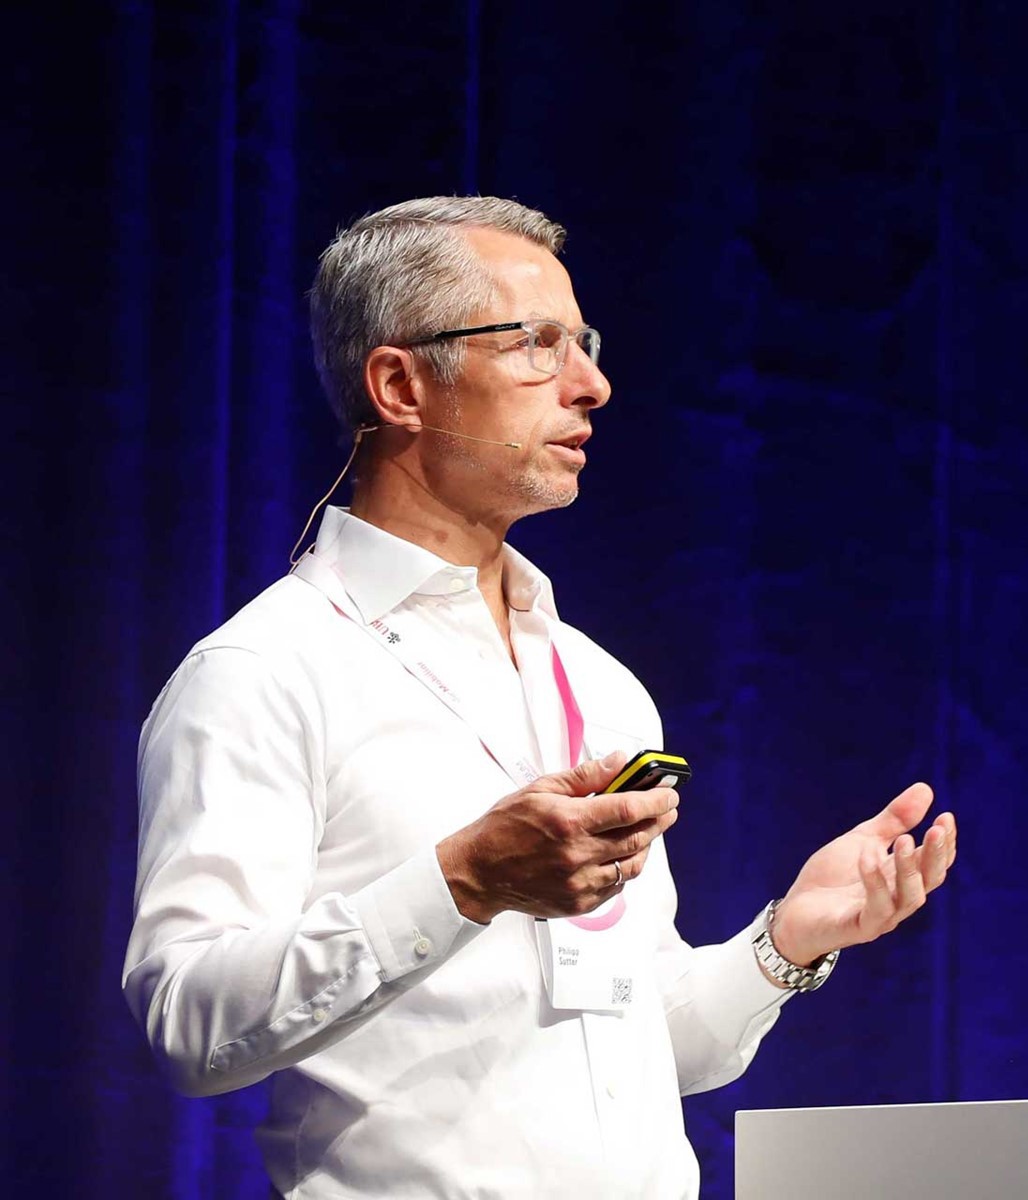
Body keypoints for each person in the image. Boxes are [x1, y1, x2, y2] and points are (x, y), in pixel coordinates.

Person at [122, 196, 958, 1198]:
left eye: (583, 344)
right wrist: (462, 881)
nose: (592, 384)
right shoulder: (267, 671)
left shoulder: (600, 684)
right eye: (535, 344)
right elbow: (188, 1022)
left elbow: (648, 1045)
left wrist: (787, 941)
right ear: (400, 385)